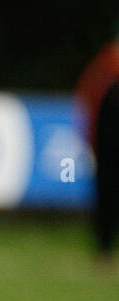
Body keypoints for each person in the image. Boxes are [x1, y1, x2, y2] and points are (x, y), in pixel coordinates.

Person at [76, 26, 119, 262]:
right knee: (106, 199)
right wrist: (89, 143)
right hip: (106, 147)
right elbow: (87, 107)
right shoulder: (102, 71)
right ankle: (104, 251)